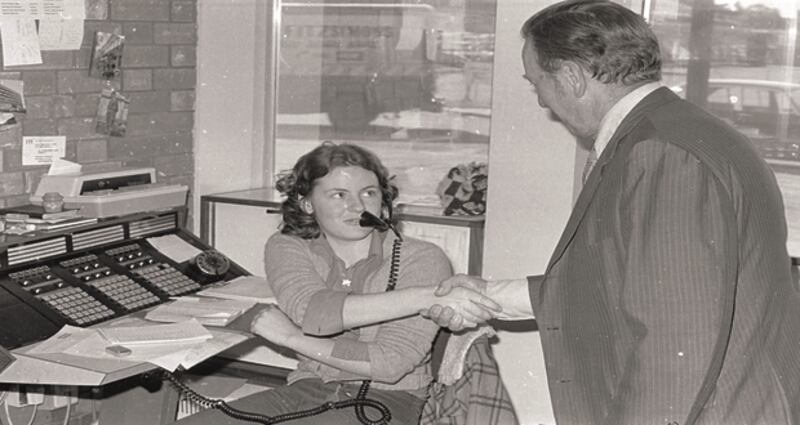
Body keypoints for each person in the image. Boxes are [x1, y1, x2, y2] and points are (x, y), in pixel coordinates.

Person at [423, 1, 800, 424]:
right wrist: (492, 296)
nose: (543, 102)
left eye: (537, 84)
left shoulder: (662, 154)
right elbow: (628, 281)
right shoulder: (677, 131)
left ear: (571, 77)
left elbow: (676, 338)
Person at [175, 142, 499, 425]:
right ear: (307, 203)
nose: (358, 206)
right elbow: (312, 312)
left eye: (369, 193)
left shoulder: (423, 259)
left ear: (383, 202)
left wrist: (289, 337)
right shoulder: (287, 246)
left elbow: (389, 365)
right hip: (308, 388)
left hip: (390, 399)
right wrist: (423, 297)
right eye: (339, 195)